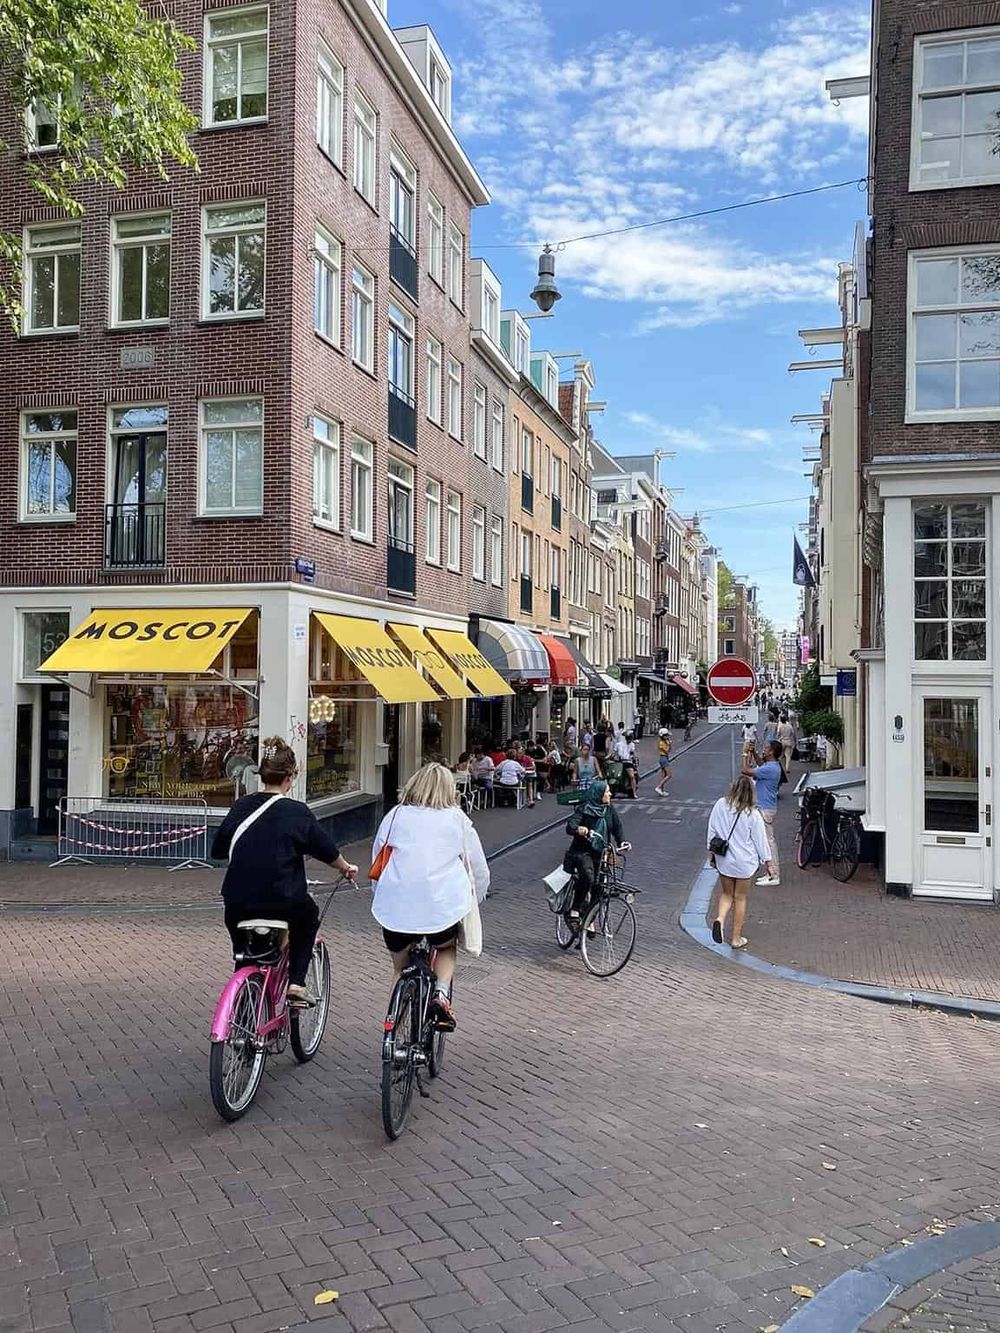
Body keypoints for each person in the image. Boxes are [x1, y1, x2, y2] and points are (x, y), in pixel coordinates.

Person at [212, 736, 359, 1006]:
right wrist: (346, 868)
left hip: (238, 901)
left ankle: (244, 988)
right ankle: (296, 984)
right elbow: (326, 850)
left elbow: (218, 850)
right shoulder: (297, 812)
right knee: (309, 917)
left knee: (245, 952)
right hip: (283, 900)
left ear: (261, 774)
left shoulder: (240, 807)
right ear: (290, 777)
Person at [370, 763, 489, 1031]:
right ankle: (441, 995)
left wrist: (381, 896)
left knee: (399, 968)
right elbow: (479, 868)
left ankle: (393, 1023)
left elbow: (377, 860)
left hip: (395, 909)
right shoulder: (457, 819)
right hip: (441, 910)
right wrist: (475, 899)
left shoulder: (395, 815)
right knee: (446, 947)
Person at [707, 775, 774, 949]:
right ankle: (736, 938)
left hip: (724, 859)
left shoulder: (720, 804)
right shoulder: (752, 813)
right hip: (745, 862)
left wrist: (711, 853)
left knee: (726, 894)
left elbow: (712, 830)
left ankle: (720, 920)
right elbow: (760, 840)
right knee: (740, 898)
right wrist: (768, 862)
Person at [562, 779, 630, 924]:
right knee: (588, 877)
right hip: (582, 851)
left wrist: (622, 841)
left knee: (600, 887)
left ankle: (589, 917)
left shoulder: (609, 809)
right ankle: (575, 910)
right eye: (607, 792)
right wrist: (578, 829)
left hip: (601, 852)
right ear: (598, 794)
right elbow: (570, 826)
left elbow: (617, 827)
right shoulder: (584, 808)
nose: (610, 794)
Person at [743, 740, 783, 885]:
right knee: (764, 841)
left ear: (771, 752)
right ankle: (769, 872)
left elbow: (746, 771)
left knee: (768, 842)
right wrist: (753, 753)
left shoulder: (770, 768)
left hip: (765, 808)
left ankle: (774, 875)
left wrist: (745, 754)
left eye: (766, 748)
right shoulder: (771, 766)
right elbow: (761, 765)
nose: (763, 750)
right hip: (766, 807)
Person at [654, 727, 673, 797]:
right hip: (663, 758)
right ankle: (658, 787)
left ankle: (661, 791)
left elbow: (669, 750)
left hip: (665, 758)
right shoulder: (661, 743)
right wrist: (669, 744)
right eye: (666, 735)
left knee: (663, 775)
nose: (668, 736)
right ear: (663, 736)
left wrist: (669, 744)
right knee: (669, 775)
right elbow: (667, 751)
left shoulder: (664, 742)